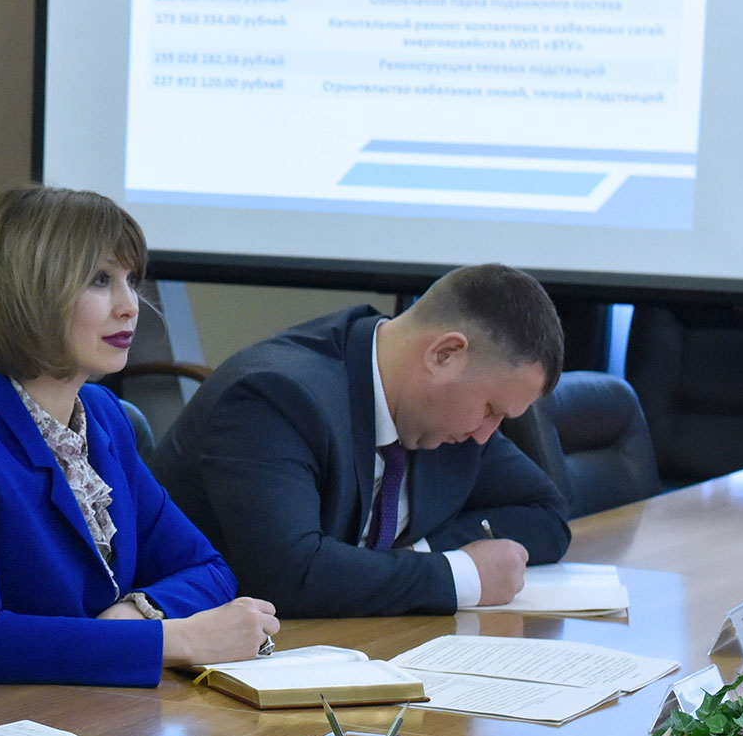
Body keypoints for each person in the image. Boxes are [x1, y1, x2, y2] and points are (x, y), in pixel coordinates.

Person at [0, 185, 278, 687]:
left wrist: (134, 614)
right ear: (29, 292)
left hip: (103, 709)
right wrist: (174, 640)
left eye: (131, 280)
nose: (130, 306)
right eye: (100, 280)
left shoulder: (105, 416)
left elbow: (208, 569)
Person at [151, 263, 571, 618]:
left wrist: (421, 553)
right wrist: (457, 574)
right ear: (444, 355)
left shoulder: (447, 422)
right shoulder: (276, 396)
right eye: (491, 409)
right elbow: (288, 575)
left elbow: (547, 515)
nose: (485, 434)